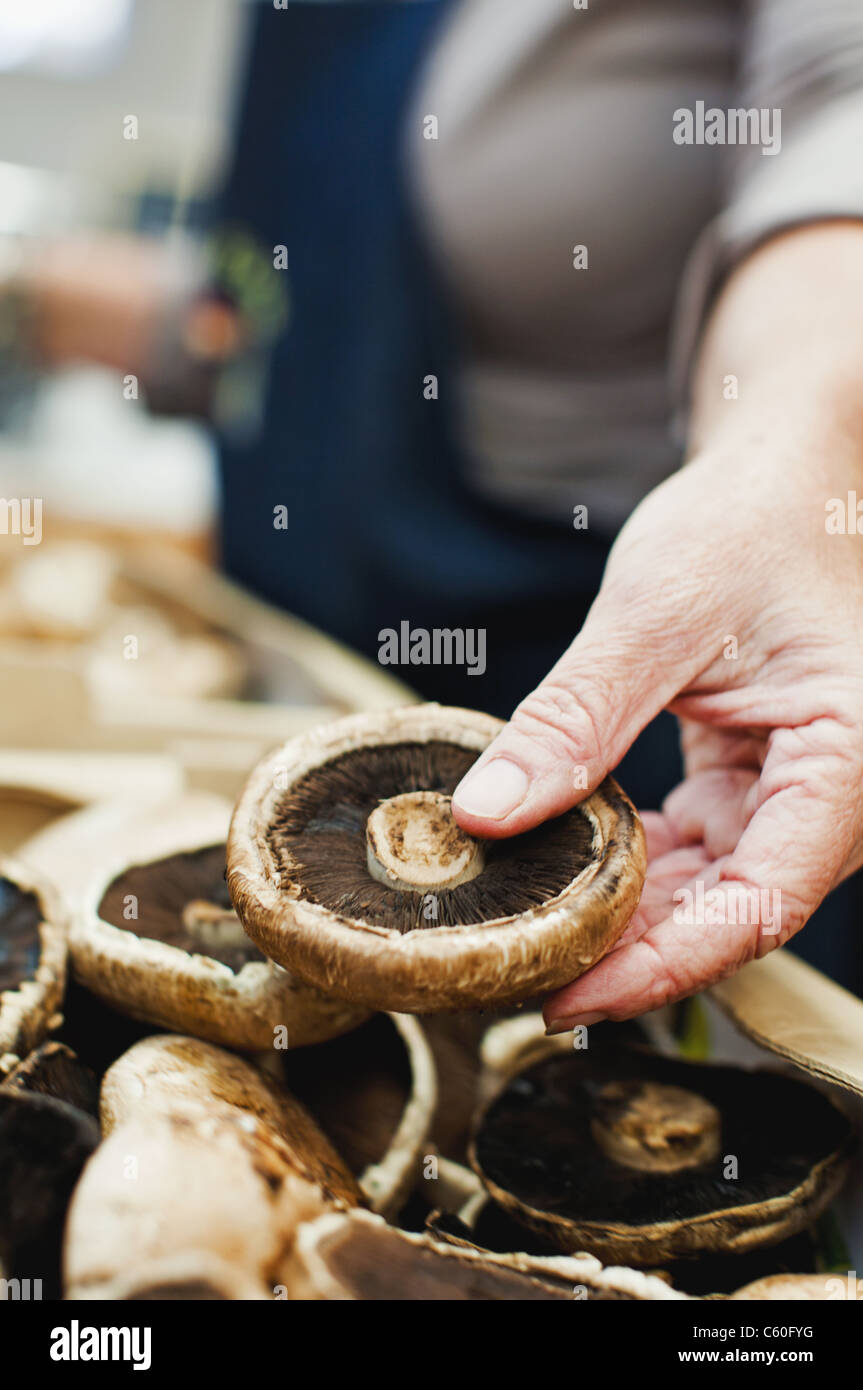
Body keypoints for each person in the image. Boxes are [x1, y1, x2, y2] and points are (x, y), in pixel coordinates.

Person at [5, 0, 863, 1013]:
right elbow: (301, 307)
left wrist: (806, 455)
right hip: (292, 659)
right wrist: (35, 299)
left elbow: (837, 109)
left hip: (648, 684)